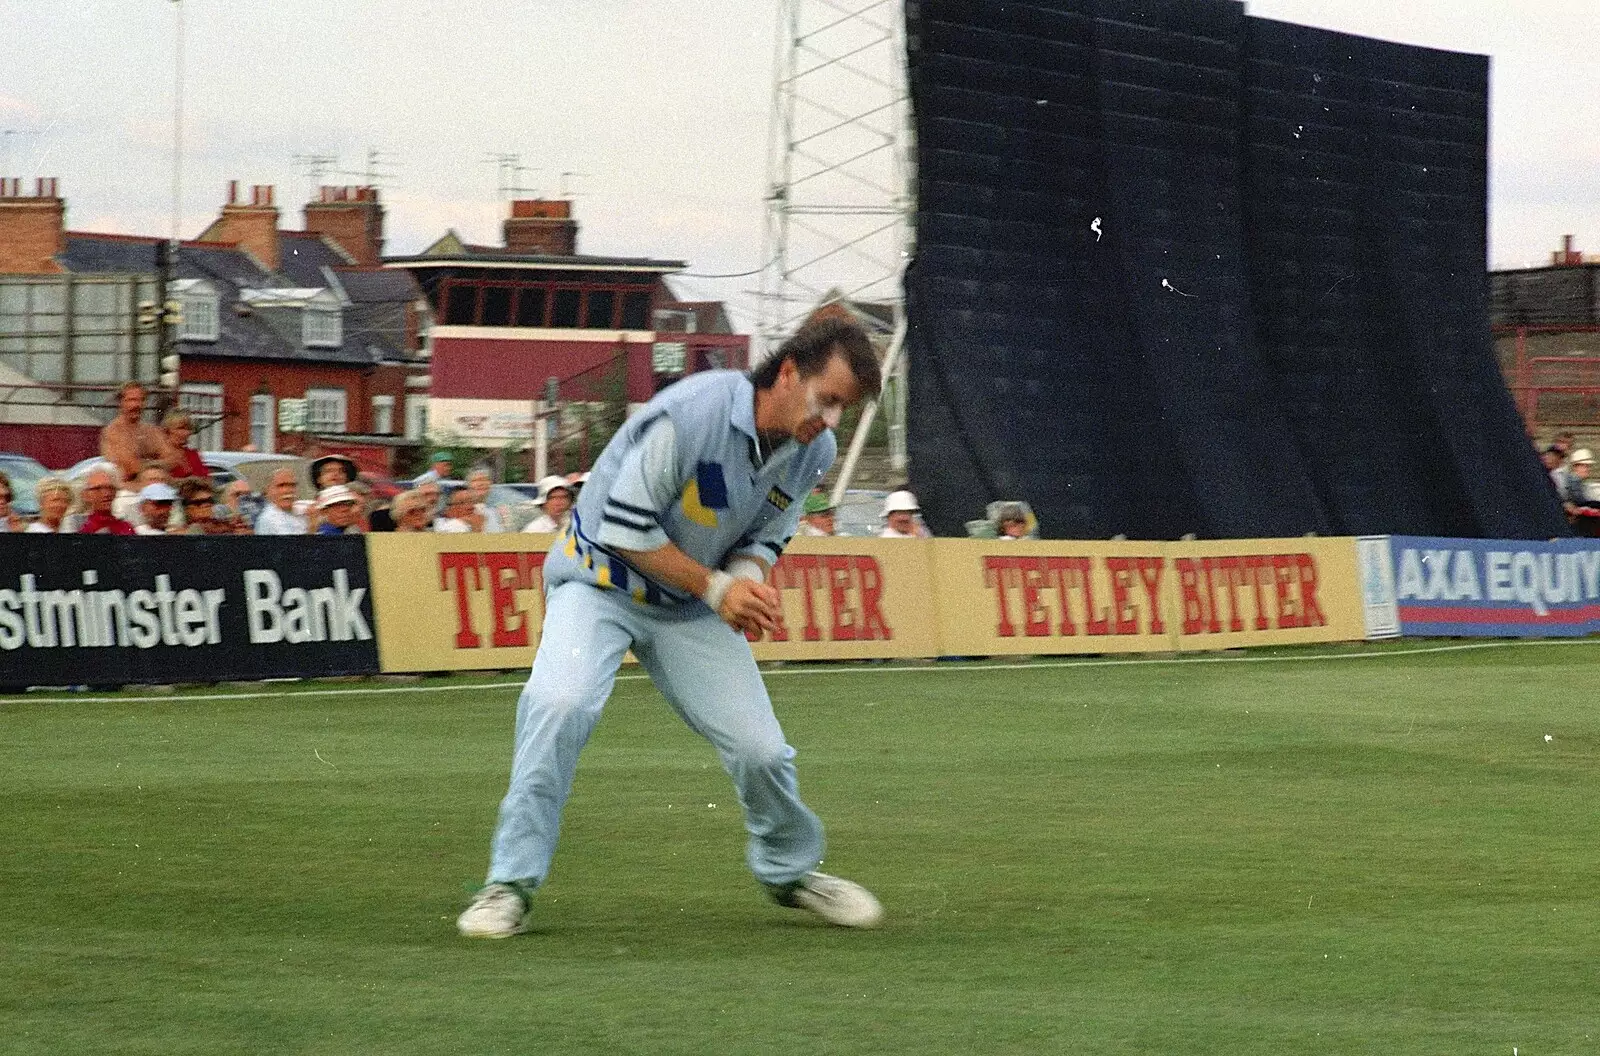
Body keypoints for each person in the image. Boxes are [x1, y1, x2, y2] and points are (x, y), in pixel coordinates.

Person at [457, 316, 885, 939]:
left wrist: (744, 579)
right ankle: (508, 883)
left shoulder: (812, 449)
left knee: (762, 752)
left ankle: (790, 873)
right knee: (560, 702)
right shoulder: (691, 413)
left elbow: (767, 532)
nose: (832, 422)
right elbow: (626, 531)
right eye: (829, 399)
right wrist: (718, 588)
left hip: (687, 603)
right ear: (788, 373)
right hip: (598, 581)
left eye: (844, 409)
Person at [100, 382, 180, 483]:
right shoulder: (112, 431)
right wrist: (156, 463)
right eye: (131, 400)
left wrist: (147, 464)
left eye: (141, 400)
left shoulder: (151, 430)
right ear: (121, 402)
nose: (137, 405)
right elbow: (130, 467)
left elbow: (172, 459)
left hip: (155, 482)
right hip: (128, 487)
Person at [77, 467, 135, 535]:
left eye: (110, 488)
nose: (107, 494)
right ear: (85, 495)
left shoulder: (126, 527)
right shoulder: (80, 529)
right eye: (98, 488)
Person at [178, 478, 242, 535]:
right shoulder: (184, 529)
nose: (207, 506)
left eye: (209, 501)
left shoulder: (220, 512)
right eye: (199, 503)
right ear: (188, 508)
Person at [254, 468, 308, 535]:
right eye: (281, 485)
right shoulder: (268, 519)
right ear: (268, 490)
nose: (287, 490)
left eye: (292, 485)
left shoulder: (302, 512)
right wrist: (312, 527)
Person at [162, 410, 209, 480]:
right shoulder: (158, 453)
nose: (186, 433)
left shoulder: (193, 455)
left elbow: (206, 480)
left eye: (188, 429)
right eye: (180, 428)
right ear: (167, 430)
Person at [466, 468, 504, 532]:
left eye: (485, 480)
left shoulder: (496, 509)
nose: (481, 484)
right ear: (468, 485)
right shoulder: (463, 509)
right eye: (476, 480)